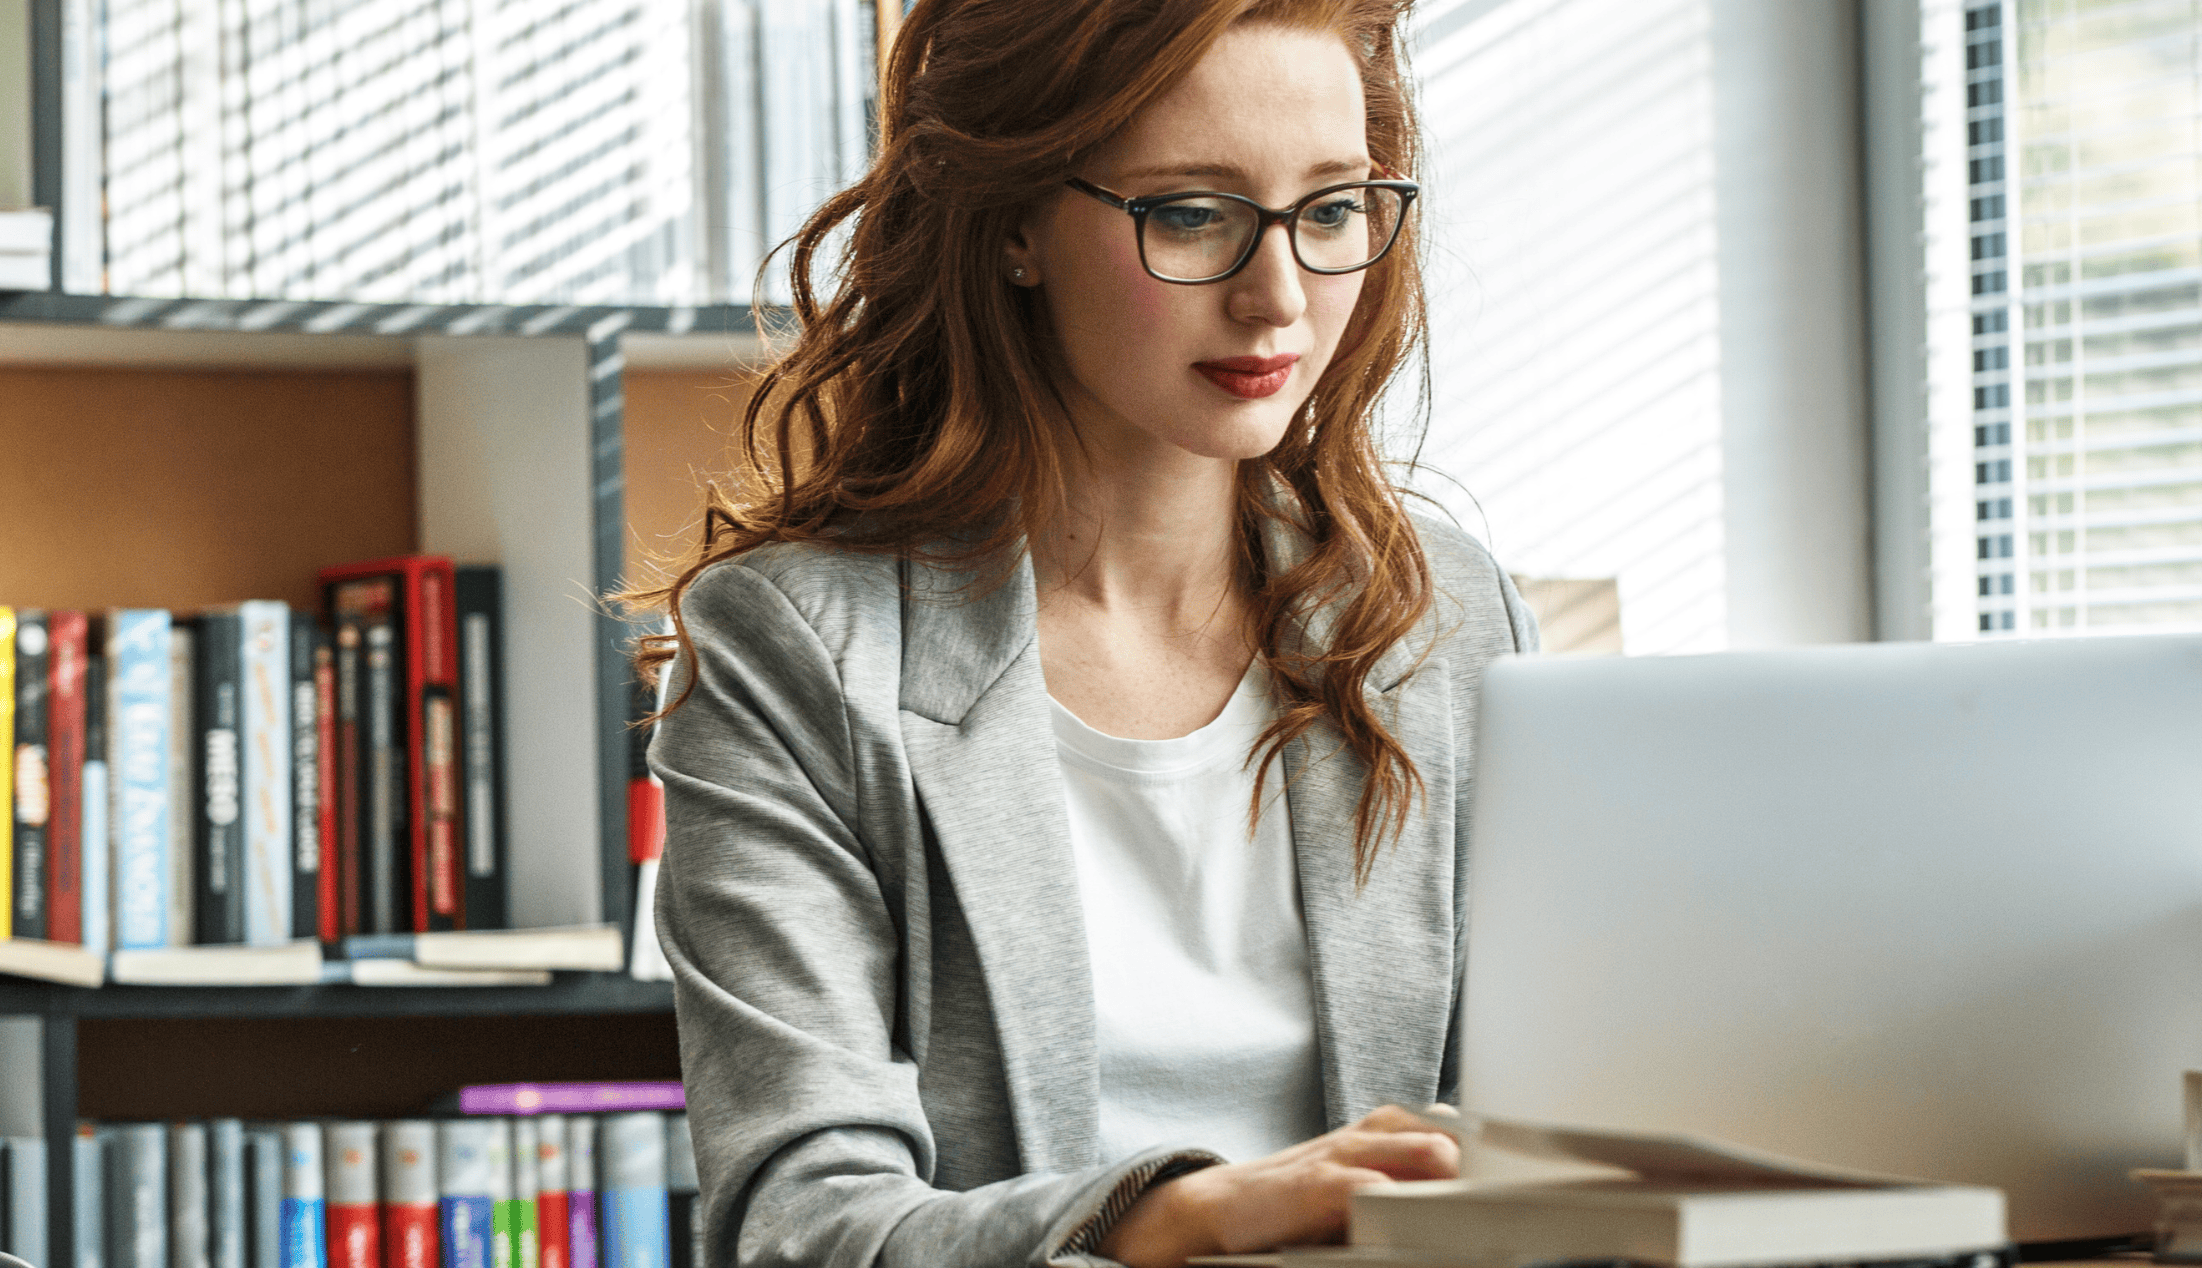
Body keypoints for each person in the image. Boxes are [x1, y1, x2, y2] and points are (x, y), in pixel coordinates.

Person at [624, 0, 1538, 1265]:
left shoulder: (1446, 616)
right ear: (1012, 227)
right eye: (1192, 214)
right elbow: (801, 1222)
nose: (1278, 296)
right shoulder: (801, 652)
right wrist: (1176, 1215)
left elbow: (1553, 1122)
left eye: (1330, 210)